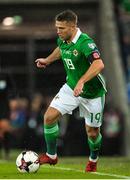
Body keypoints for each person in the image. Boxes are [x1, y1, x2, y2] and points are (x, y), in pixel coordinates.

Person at [35, 10, 106, 172]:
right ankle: (51, 156)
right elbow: (60, 50)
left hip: (92, 93)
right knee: (49, 117)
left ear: (73, 27)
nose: (58, 31)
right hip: (71, 88)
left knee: (93, 133)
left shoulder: (85, 42)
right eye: (57, 27)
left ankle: (93, 159)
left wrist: (82, 81)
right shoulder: (63, 40)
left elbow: (98, 64)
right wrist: (47, 60)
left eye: (62, 28)